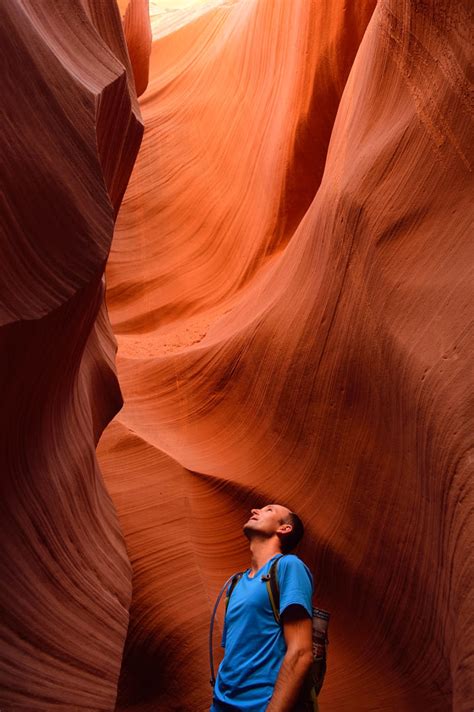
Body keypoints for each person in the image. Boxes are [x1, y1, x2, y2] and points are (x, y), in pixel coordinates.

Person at [211, 503, 313, 712]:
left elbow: (301, 652)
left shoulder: (288, 566)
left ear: (284, 529)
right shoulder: (235, 583)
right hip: (220, 705)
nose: (254, 511)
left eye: (268, 510)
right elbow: (233, 652)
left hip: (259, 706)